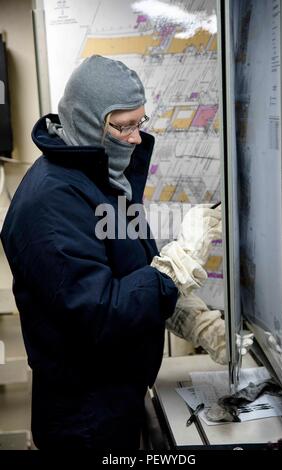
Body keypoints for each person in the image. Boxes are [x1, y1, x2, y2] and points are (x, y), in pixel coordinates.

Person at [0, 55, 226, 450]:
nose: (137, 138)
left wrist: (192, 319)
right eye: (125, 127)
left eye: (140, 123)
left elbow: (135, 271)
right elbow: (101, 313)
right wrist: (182, 259)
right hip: (83, 421)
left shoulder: (105, 179)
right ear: (89, 123)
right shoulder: (50, 204)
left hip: (115, 401)